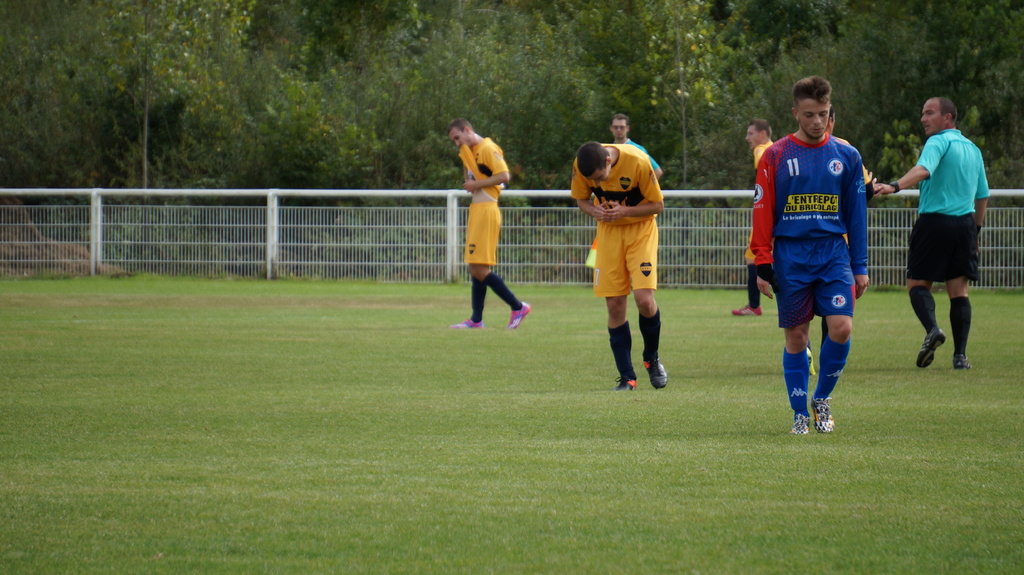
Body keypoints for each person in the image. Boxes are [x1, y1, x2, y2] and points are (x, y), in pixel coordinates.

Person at [751, 76, 869, 434]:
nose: (817, 122)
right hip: (791, 255)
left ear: (830, 112)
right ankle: (799, 413)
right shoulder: (775, 155)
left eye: (823, 114)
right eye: (809, 115)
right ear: (795, 113)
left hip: (833, 253)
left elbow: (857, 214)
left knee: (842, 327)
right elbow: (762, 209)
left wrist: (860, 265)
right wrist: (762, 262)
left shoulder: (847, 156)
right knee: (797, 337)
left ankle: (822, 398)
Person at [873, 97, 989, 370]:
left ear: (947, 117)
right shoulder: (973, 149)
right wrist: (976, 232)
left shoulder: (938, 141)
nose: (923, 118)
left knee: (916, 284)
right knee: (959, 291)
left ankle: (933, 330)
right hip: (965, 226)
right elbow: (982, 195)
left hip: (935, 222)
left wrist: (894, 186)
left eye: (929, 113)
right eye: (923, 113)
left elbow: (923, 170)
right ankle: (960, 357)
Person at [572, 141, 667, 391]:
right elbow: (581, 200)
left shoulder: (638, 162)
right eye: (593, 180)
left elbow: (658, 205)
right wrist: (594, 211)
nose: (598, 184)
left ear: (608, 161)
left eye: (599, 177)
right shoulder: (581, 165)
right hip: (609, 234)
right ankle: (627, 377)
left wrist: (623, 211)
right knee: (614, 304)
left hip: (640, 231)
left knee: (644, 300)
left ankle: (651, 358)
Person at [446, 118, 531, 330]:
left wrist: (477, 184)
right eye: (454, 140)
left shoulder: (487, 148)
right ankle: (476, 319)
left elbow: (504, 175)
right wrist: (467, 166)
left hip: (487, 211)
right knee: (476, 266)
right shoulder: (471, 152)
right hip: (478, 210)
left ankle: (518, 306)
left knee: (478, 267)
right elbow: (470, 181)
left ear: (467, 130)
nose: (457, 143)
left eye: (457, 137)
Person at [732, 119, 773, 316]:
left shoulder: (762, 150)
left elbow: (763, 162)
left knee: (753, 257)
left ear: (762, 134)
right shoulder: (777, 148)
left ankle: (755, 306)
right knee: (760, 257)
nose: (747, 138)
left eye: (750, 133)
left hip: (769, 216)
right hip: (777, 214)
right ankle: (757, 305)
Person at [609, 113, 664, 179]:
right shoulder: (608, 150)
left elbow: (657, 172)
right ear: (611, 128)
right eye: (615, 127)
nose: (618, 130)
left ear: (627, 128)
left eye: (622, 127)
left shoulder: (637, 149)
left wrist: (644, 184)